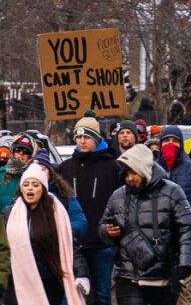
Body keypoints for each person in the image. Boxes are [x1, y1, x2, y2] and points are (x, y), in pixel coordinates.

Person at [101, 144, 191, 305]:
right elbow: (103, 226)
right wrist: (107, 232)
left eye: (134, 172)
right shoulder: (118, 196)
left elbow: (188, 231)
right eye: (126, 174)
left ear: (145, 169)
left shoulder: (172, 192)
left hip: (163, 277)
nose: (130, 178)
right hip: (128, 275)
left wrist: (184, 267)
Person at [3, 163, 89, 305]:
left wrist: (82, 274)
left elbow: (69, 245)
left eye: (35, 185)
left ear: (43, 189)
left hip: (49, 279)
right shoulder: (10, 213)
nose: (30, 188)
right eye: (26, 184)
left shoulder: (56, 212)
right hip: (18, 279)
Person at [58, 115, 123, 305]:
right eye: (78, 137)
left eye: (87, 137)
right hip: (75, 243)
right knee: (73, 294)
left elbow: (121, 201)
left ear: (97, 138)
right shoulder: (65, 167)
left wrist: (115, 228)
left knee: (102, 293)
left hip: (102, 242)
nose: (82, 141)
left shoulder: (113, 165)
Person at [156, 125, 191, 304]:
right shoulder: (152, 169)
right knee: (159, 289)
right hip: (158, 241)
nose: (170, 144)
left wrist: (187, 219)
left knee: (183, 290)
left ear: (181, 144)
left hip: (185, 240)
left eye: (174, 141)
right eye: (166, 140)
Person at [0, 134, 33, 210]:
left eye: (25, 151)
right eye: (17, 150)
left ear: (30, 155)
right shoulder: (1, 174)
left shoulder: (34, 175)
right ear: (12, 151)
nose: (21, 153)